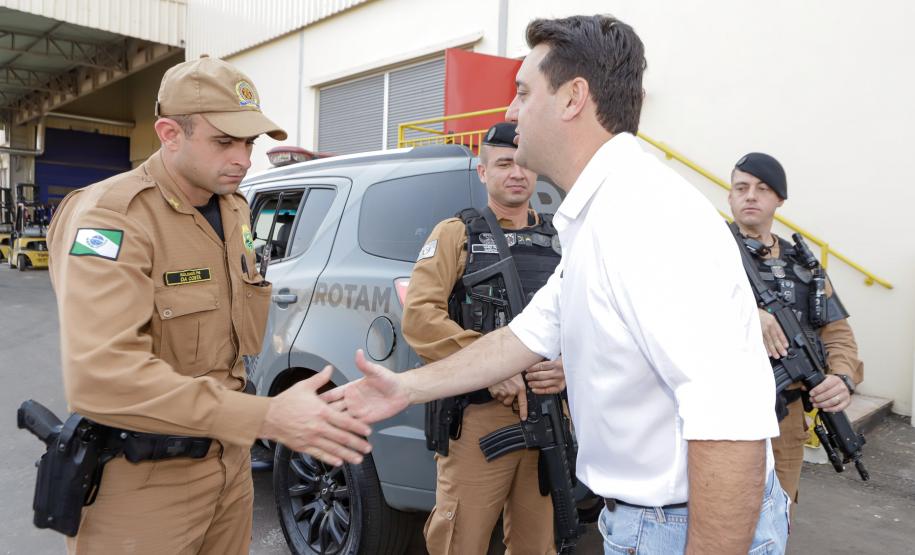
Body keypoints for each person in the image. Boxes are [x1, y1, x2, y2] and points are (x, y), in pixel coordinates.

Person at [325, 15, 789, 554]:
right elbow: (518, 340)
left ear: (572, 98)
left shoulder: (643, 217)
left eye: (523, 92)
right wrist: (405, 388)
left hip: (682, 528)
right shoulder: (599, 218)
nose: (510, 111)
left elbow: (728, 418)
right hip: (654, 522)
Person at [45, 55, 372, 554]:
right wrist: (265, 418)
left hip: (229, 470)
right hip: (143, 485)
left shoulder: (233, 207)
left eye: (249, 143)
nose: (243, 158)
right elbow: (102, 376)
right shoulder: (112, 218)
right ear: (170, 133)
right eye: (224, 142)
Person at [402, 122, 565, 554]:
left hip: (547, 412)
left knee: (538, 545)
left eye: (524, 163)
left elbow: (586, 319)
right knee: (462, 541)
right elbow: (420, 317)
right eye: (504, 163)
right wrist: (488, 367)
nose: (517, 173)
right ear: (482, 171)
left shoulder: (560, 240)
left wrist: (569, 367)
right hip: (478, 416)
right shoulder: (455, 234)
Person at [729, 152, 864, 504]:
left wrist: (842, 379)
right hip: (724, 410)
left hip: (786, 420)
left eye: (762, 188)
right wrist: (745, 314)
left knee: (778, 516)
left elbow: (837, 334)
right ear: (730, 196)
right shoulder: (708, 253)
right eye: (741, 187)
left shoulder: (805, 267)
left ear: (779, 200)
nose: (750, 195)